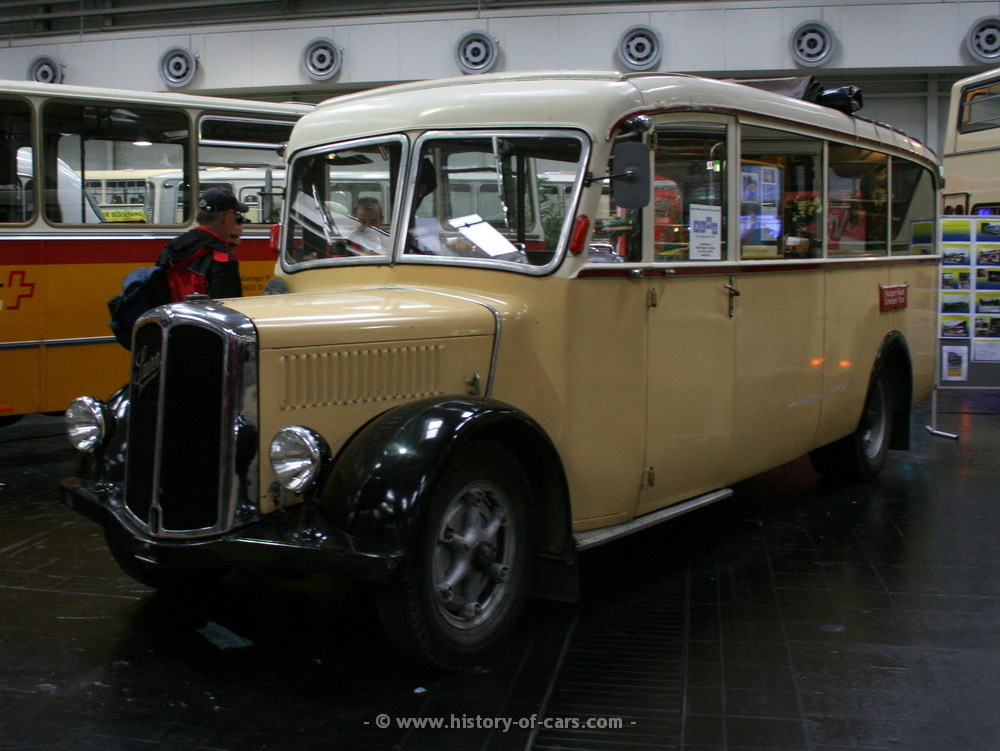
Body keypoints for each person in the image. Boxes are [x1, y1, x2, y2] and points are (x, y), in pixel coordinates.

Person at [157, 187, 245, 299]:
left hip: (173, 310)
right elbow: (228, 303)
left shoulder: (171, 247)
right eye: (235, 214)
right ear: (227, 217)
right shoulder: (222, 258)